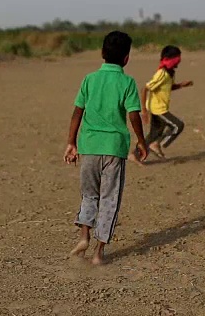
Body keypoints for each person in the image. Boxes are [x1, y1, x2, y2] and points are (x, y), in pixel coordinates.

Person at [63, 31, 148, 265]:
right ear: (127, 58)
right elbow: (134, 115)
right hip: (114, 148)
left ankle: (83, 236)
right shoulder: (127, 82)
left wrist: (71, 143)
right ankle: (99, 253)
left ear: (102, 53)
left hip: (89, 145)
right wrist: (141, 141)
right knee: (109, 198)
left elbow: (77, 113)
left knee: (89, 194)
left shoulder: (89, 79)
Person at [129, 45, 193, 163]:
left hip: (160, 107)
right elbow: (145, 89)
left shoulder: (170, 73)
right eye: (177, 58)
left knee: (155, 133)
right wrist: (143, 110)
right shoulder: (162, 74)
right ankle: (157, 144)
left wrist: (181, 85)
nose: (179, 60)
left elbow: (168, 87)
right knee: (178, 125)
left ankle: (135, 154)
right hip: (157, 109)